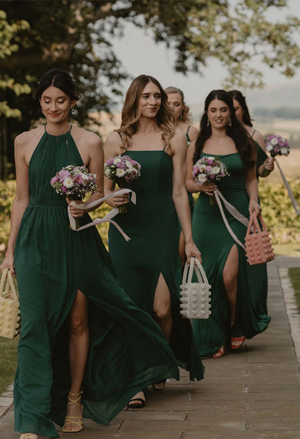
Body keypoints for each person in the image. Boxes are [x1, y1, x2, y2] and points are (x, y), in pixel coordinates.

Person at [0, 69, 180, 439]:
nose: (53, 107)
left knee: (79, 321)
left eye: (61, 101)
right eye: (47, 101)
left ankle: (74, 399)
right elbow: (20, 200)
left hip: (76, 238)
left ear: (73, 102)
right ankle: (31, 419)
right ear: (40, 102)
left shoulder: (90, 142)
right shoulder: (23, 142)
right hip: (35, 237)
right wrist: (9, 251)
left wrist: (89, 204)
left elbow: (98, 195)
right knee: (34, 325)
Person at [104, 75, 205, 408]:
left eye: (157, 96)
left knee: (163, 309)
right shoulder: (117, 140)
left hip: (162, 228)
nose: (153, 102)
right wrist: (111, 200)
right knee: (132, 308)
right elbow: (105, 190)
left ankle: (158, 360)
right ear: (134, 99)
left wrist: (188, 239)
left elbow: (179, 191)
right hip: (126, 231)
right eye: (146, 96)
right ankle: (136, 378)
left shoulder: (174, 138)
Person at [186, 90, 270, 358]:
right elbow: (185, 182)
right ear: (207, 113)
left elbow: (251, 178)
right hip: (205, 217)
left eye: (224, 110)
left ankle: (233, 325)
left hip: (236, 214)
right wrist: (200, 185)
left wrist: (254, 200)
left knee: (229, 276)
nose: (219, 115)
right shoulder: (197, 144)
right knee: (207, 278)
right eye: (214, 110)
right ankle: (214, 335)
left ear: (230, 113)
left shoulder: (244, 142)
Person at [166, 86, 200, 264]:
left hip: (183, 193)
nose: (172, 107)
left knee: (181, 250)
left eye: (176, 104)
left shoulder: (191, 132)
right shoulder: (157, 132)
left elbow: (197, 166)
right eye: (168, 103)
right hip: (162, 192)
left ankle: (183, 289)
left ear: (183, 107)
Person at [229, 90, 274, 179]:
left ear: (243, 110)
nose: (232, 113)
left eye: (236, 109)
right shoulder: (218, 134)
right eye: (228, 109)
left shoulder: (255, 135)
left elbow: (261, 171)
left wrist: (267, 168)